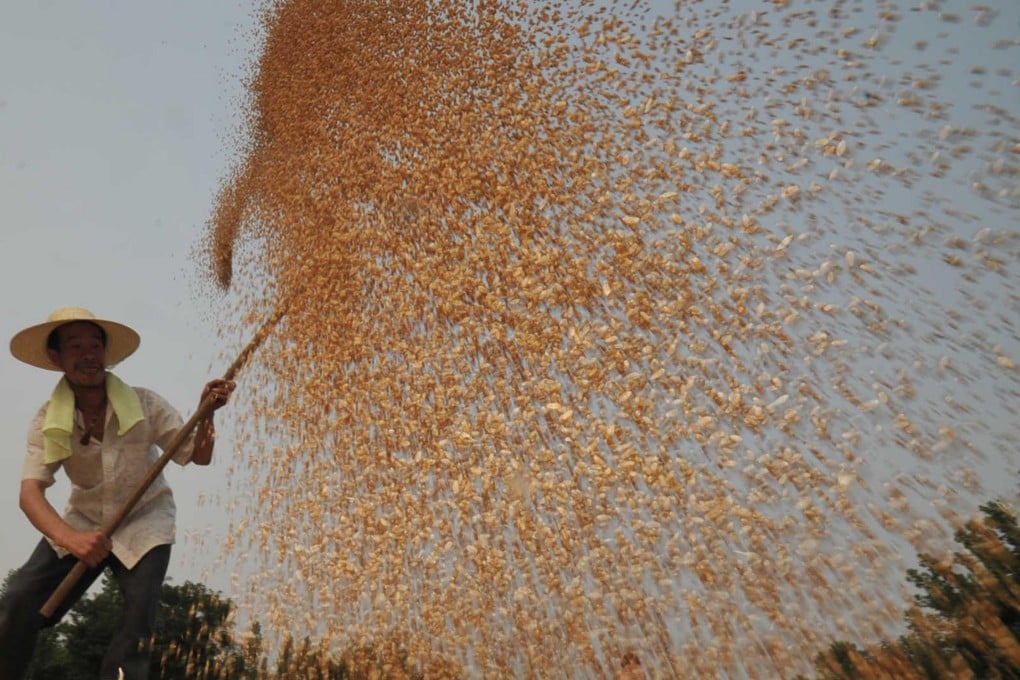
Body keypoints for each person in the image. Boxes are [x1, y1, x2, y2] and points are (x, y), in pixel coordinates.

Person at [0, 307, 235, 680]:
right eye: (75, 346)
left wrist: (208, 414)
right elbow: (30, 494)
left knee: (137, 620)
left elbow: (198, 455)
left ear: (106, 354)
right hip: (84, 522)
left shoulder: (146, 404)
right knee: (18, 604)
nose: (89, 354)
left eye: (96, 345)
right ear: (55, 357)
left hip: (146, 522)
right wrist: (72, 540)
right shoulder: (48, 420)